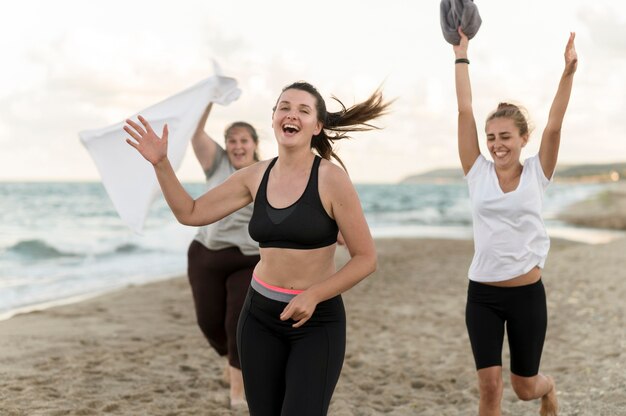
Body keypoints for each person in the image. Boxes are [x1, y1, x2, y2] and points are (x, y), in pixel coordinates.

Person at [124, 81, 391, 415]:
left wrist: (314, 295)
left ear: (317, 126)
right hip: (259, 318)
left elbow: (366, 258)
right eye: (284, 107)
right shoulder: (254, 177)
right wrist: (161, 163)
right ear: (275, 118)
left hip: (316, 321)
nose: (291, 114)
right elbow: (190, 213)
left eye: (303, 110)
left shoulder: (331, 179)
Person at [453, 27, 577, 416]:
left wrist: (568, 72)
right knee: (490, 388)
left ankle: (549, 388)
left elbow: (554, 125)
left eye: (505, 136)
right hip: (482, 295)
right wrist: (461, 54)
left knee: (524, 388)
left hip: (526, 295)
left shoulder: (538, 172)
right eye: (490, 137)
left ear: (523, 138)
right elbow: (464, 110)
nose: (495, 144)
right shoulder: (477, 171)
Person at [186, 102, 260, 408]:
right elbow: (195, 131)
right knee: (208, 323)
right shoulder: (217, 163)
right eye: (232, 140)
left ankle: (238, 393)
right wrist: (208, 98)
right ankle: (232, 360)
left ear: (255, 145)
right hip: (206, 256)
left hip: (248, 259)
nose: (237, 146)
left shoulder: (267, 171)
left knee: (235, 323)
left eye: (244, 140)